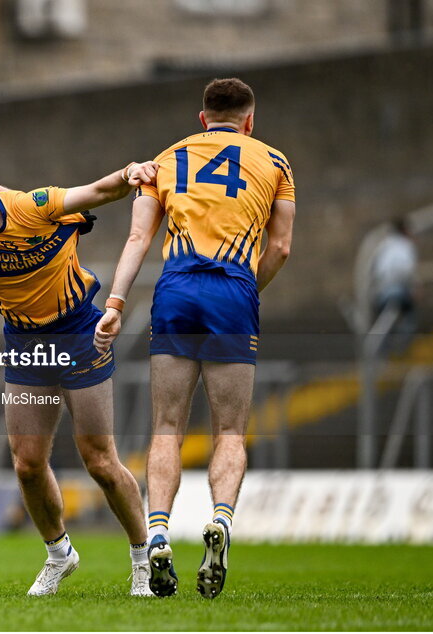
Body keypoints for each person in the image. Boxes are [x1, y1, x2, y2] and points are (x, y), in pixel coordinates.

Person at [93, 78, 295, 599]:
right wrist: (250, 289)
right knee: (230, 430)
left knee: (166, 425)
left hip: (177, 289)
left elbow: (138, 237)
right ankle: (221, 522)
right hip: (233, 290)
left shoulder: (166, 159)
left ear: (201, 118)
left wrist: (114, 305)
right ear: (250, 121)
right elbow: (282, 247)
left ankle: (157, 531)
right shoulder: (275, 163)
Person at [0, 149, 158, 596]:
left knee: (101, 461)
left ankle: (142, 559)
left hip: (77, 335)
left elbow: (99, 191)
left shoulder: (32, 206)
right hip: (23, 343)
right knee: (28, 464)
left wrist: (129, 171)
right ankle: (59, 554)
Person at [370, 217, 418, 350]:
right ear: (405, 230)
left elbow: (376, 270)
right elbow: (405, 270)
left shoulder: (384, 244)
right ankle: (403, 347)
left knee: (385, 322)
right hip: (397, 291)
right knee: (409, 314)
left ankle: (383, 351)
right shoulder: (405, 246)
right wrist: (414, 289)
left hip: (380, 292)